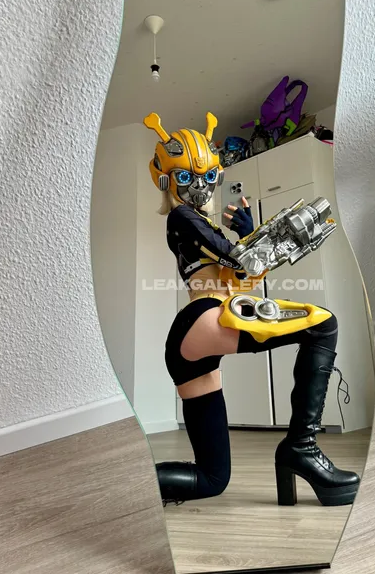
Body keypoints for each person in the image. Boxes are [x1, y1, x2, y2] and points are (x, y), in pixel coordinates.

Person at [144, 112, 360, 507]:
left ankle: (131, 488)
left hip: (197, 337)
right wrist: (253, 239)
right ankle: (301, 447)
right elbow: (239, 260)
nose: (199, 187)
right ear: (166, 180)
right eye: (187, 178)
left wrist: (247, 235)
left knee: (212, 479)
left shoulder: (198, 223)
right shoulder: (182, 216)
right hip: (201, 318)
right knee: (323, 324)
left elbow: (238, 282)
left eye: (207, 177)